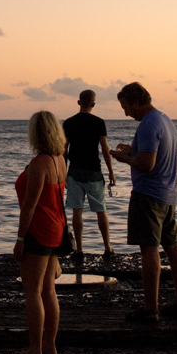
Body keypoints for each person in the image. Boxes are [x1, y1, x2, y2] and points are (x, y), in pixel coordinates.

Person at [110, 82, 177, 324]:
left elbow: (147, 164)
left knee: (149, 249)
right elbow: (154, 154)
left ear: (136, 102)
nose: (125, 113)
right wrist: (133, 149)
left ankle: (150, 308)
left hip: (148, 195)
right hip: (168, 195)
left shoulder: (148, 124)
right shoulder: (164, 120)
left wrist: (124, 158)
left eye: (126, 107)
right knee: (173, 247)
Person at [12, 111, 68, 354]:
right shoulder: (60, 160)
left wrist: (20, 239)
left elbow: (29, 206)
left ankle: (35, 349)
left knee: (32, 291)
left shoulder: (39, 164)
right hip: (57, 228)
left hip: (39, 230)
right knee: (49, 291)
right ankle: (49, 346)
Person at [62, 89, 116, 260]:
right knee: (101, 210)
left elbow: (64, 150)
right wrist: (111, 172)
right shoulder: (99, 122)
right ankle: (107, 248)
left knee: (77, 211)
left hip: (74, 171)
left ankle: (79, 250)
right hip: (94, 171)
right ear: (93, 104)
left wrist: (63, 171)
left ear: (79, 102)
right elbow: (105, 150)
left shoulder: (69, 123)